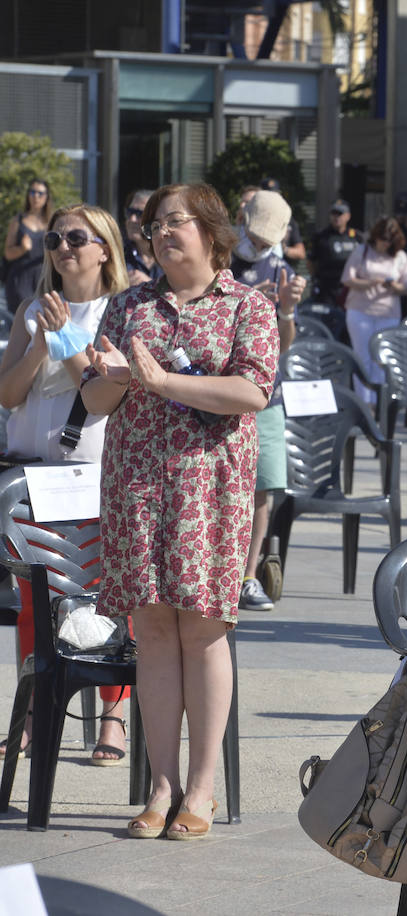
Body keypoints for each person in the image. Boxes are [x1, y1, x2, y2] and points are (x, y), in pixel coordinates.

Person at [81, 182, 278, 840]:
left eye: (176, 223)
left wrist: (163, 381)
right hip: (136, 483)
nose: (163, 234)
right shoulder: (129, 303)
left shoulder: (248, 304)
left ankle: (202, 789)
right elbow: (97, 403)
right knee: (155, 633)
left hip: (211, 490)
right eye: (155, 224)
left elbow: (252, 391)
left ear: (211, 232)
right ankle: (160, 787)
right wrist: (109, 376)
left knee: (203, 630)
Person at [0, 203, 130, 764]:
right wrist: (37, 344)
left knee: (106, 596)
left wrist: (67, 339)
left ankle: (113, 718)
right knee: (34, 599)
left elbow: (105, 392)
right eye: (55, 237)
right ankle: (31, 714)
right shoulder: (32, 307)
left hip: (95, 472)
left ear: (105, 247)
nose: (63, 247)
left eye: (77, 237)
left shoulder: (121, 311)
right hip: (32, 471)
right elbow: (8, 394)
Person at [227, 190, 307, 613]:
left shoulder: (282, 268)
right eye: (255, 236)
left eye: (267, 238)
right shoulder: (221, 257)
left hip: (266, 393)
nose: (259, 245)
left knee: (264, 488)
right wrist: (243, 297)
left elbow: (283, 346)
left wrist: (287, 310)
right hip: (220, 390)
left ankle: (248, 574)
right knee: (223, 486)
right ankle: (221, 570)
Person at [340, 217, 407, 404]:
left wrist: (394, 286)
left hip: (388, 313)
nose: (384, 244)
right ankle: (364, 403)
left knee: (381, 359)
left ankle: (380, 403)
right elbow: (347, 278)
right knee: (362, 357)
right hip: (360, 311)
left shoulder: (399, 256)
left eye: (389, 240)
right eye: (382, 239)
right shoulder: (362, 251)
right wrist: (371, 282)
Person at [5, 180, 53, 313]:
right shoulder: (18, 220)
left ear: (47, 197)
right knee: (21, 322)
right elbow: (8, 253)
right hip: (20, 281)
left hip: (44, 280)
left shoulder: (52, 222)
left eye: (40, 193)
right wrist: (22, 249)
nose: (35, 196)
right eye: (32, 192)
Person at [308, 199, 361, 307]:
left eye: (340, 214)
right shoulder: (321, 236)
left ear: (348, 216)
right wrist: (316, 278)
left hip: (350, 288)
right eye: (334, 213)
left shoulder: (356, 237)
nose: (336, 217)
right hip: (327, 288)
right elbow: (310, 261)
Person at [257, 178, 306, 262]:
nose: (272, 199)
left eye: (275, 195)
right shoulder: (254, 218)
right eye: (268, 195)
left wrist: (283, 248)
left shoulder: (287, 219)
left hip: (281, 268)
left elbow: (301, 253)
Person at [122, 189, 157, 285]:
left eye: (140, 214)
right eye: (130, 212)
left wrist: (150, 286)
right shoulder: (117, 254)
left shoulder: (171, 255)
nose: (132, 219)